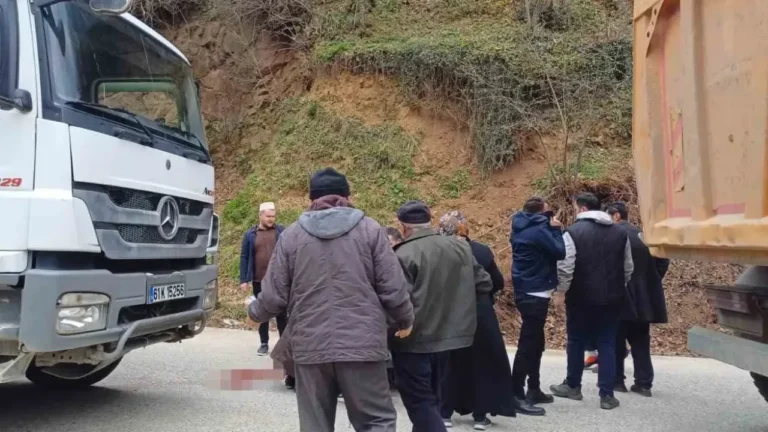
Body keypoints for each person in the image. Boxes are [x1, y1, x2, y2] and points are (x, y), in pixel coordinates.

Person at [247, 168, 415, 432]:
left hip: (311, 346)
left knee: (315, 425)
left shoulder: (292, 235)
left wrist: (255, 313)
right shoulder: (370, 230)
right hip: (362, 346)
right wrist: (405, 319)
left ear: (311, 198)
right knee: (376, 421)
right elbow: (393, 288)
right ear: (347, 196)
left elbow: (274, 295)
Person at [392, 201, 493, 432]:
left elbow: (398, 300)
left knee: (421, 402)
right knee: (433, 398)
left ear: (403, 226)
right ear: (431, 218)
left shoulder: (403, 254)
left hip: (414, 339)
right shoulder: (461, 247)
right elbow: (485, 283)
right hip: (452, 337)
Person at [437, 210, 521, 431]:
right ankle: (480, 416)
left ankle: (444, 412)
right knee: (482, 361)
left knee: (449, 362)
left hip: (448, 313)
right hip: (479, 312)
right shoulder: (481, 251)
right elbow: (497, 282)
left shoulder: (437, 251)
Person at [549, 192, 634, 410]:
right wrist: (618, 287)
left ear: (583, 209)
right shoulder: (620, 233)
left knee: (576, 341)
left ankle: (573, 385)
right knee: (607, 343)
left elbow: (566, 267)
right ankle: (607, 395)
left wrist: (561, 292)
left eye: (576, 208)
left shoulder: (573, 232)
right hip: (613, 298)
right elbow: (628, 268)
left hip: (580, 297)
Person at [606, 202, 670, 397]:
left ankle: (617, 381)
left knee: (616, 340)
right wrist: (653, 279)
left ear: (616, 215)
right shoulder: (646, 236)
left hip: (620, 296)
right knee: (641, 341)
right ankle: (644, 383)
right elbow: (664, 259)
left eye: (608, 216)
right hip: (645, 298)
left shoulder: (613, 236)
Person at [509, 197, 565, 411]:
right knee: (528, 344)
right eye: (548, 212)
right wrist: (556, 230)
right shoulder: (540, 230)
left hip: (527, 288)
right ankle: (516, 392)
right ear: (541, 213)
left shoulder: (520, 227)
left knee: (536, 341)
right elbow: (560, 251)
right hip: (536, 291)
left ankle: (534, 387)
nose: (551, 215)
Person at [239, 202, 294, 386]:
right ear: (260, 215)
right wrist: (244, 280)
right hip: (258, 280)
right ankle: (264, 343)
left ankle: (283, 345)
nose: (272, 219)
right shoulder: (250, 235)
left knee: (282, 314)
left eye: (273, 216)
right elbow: (245, 256)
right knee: (261, 313)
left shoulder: (281, 232)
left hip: (279, 281)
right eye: (269, 216)